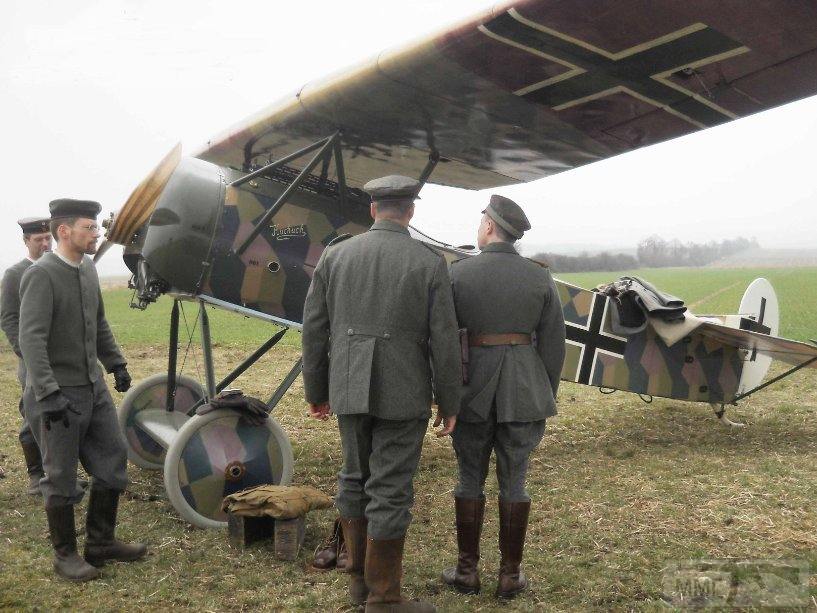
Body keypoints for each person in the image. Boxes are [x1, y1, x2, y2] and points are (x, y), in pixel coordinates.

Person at [302, 175, 462, 612]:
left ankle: (359, 587)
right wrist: (450, 403)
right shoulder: (428, 262)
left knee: (354, 478)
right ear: (410, 211)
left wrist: (317, 390)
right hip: (404, 388)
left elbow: (314, 330)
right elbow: (444, 341)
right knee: (390, 489)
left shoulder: (335, 256)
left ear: (372, 209)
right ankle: (384, 598)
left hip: (349, 385)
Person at [441, 195, 566, 598]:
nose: (479, 228)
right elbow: (554, 345)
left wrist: (444, 397)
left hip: (469, 391)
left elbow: (442, 341)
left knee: (468, 478)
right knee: (515, 482)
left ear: (491, 226)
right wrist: (542, 391)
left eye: (482, 222)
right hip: (525, 391)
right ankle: (510, 576)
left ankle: (467, 572)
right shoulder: (539, 276)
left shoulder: (458, 274)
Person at [19, 198, 146, 582]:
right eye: (88, 228)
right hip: (59, 394)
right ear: (64, 231)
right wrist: (47, 393)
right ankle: (65, 556)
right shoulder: (41, 275)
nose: (96, 234)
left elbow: (99, 323)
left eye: (95, 227)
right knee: (59, 475)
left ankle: (101, 542)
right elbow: (32, 340)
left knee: (112, 457)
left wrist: (116, 364)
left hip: (93, 387)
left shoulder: (89, 270)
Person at [1, 217, 51, 495]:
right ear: (26, 241)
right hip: (31, 358)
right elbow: (8, 318)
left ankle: (55, 473)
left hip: (59, 357)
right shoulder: (15, 274)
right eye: (38, 240)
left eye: (48, 239)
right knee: (31, 411)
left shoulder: (58, 267)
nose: (45, 244)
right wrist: (26, 353)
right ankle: (36, 475)